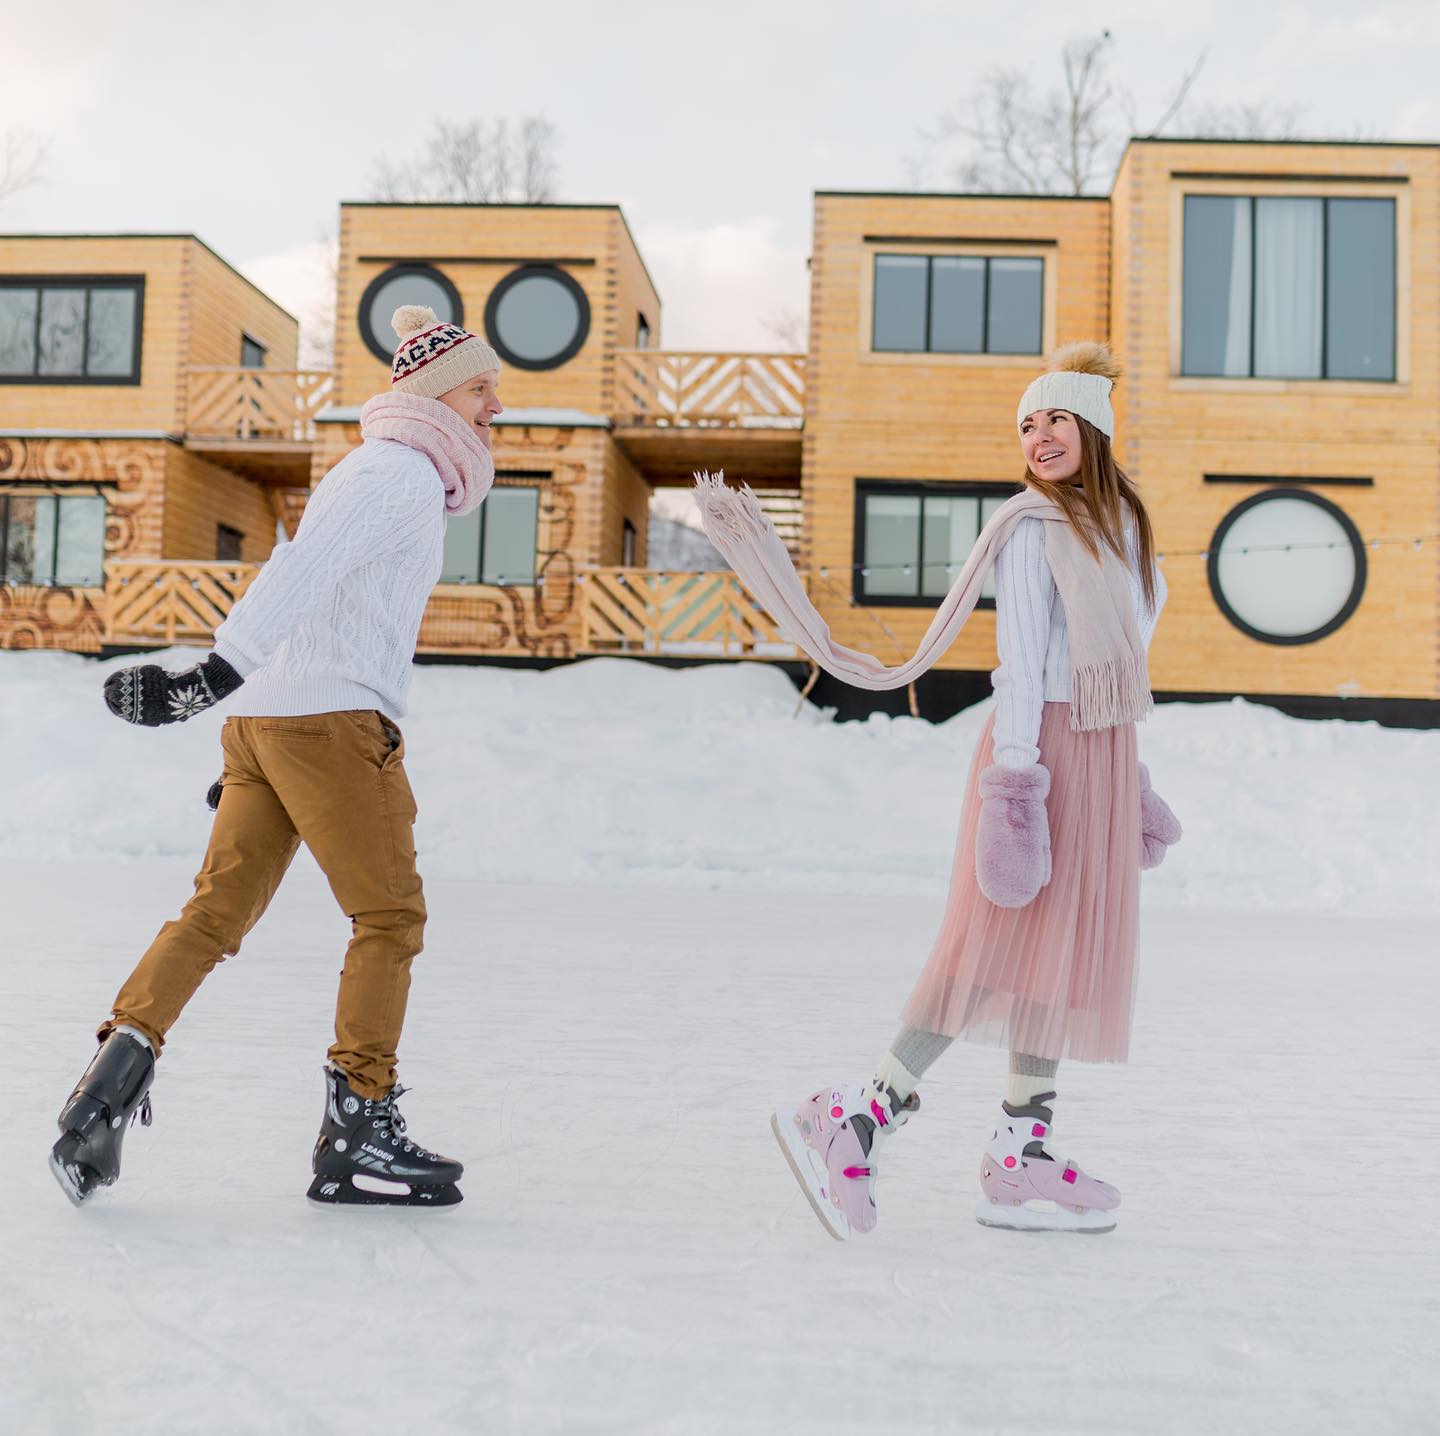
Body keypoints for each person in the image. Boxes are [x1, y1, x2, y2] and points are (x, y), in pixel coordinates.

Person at [696, 342, 1182, 1239]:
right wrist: (1016, 792)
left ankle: (1020, 1152)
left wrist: (1129, 777)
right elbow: (1025, 669)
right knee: (993, 946)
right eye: (1027, 425)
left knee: (1056, 960)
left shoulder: (1126, 537)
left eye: (1055, 419)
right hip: (1036, 760)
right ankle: (858, 1112)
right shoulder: (1032, 533)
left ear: (1096, 429)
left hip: (1098, 754)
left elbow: (1121, 669)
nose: (1037, 437)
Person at [50, 304, 504, 1209]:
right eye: (483, 388)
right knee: (390, 917)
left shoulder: (372, 471)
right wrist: (213, 677)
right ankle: (359, 1129)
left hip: (274, 723)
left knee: (215, 913)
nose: (496, 408)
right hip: (323, 721)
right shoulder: (401, 475)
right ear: (437, 394)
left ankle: (104, 1092)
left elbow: (294, 573)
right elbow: (292, 579)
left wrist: (247, 707)